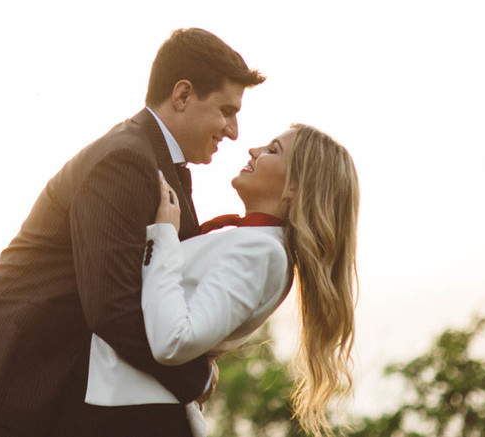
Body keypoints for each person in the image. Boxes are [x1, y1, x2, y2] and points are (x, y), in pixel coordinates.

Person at [0, 28, 265, 437]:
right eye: (226, 111)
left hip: (46, 388)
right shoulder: (126, 160)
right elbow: (112, 306)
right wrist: (195, 379)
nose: (233, 131)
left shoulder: (157, 161)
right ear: (182, 95)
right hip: (7, 389)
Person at [85, 123, 360, 437]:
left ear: (295, 186)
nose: (253, 150)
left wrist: (164, 236)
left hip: (141, 416)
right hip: (130, 408)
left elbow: (174, 341)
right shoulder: (249, 242)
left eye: (272, 150)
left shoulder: (263, 253)